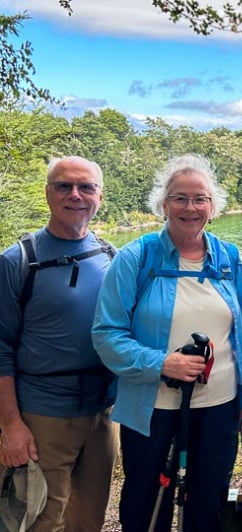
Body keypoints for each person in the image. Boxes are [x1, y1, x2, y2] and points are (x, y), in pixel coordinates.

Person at [92, 153, 242, 532]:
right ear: (164, 204)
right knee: (147, 500)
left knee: (208, 499)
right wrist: (161, 363)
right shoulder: (137, 257)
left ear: (212, 206)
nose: (190, 207)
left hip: (218, 405)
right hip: (152, 407)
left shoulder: (228, 258)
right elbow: (106, 334)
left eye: (200, 198)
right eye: (180, 198)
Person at [0, 156, 118, 531]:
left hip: (102, 413)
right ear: (48, 193)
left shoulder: (111, 257)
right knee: (39, 520)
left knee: (89, 520)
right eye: (64, 186)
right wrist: (11, 426)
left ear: (100, 195)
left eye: (86, 187)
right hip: (42, 416)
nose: (75, 195)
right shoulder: (18, 261)